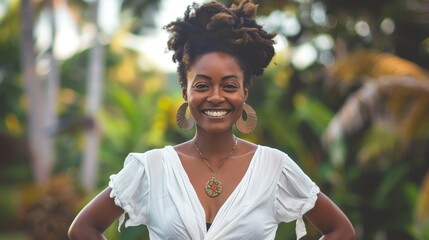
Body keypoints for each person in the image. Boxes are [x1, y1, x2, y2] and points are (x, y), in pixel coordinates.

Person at [68, 1, 356, 239]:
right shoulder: (151, 168)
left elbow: (340, 230)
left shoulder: (274, 167)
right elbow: (83, 229)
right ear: (186, 92)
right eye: (203, 85)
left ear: (244, 92)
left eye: (229, 86)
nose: (216, 97)